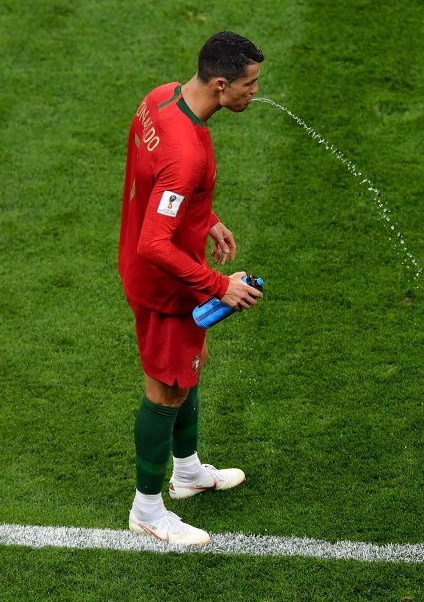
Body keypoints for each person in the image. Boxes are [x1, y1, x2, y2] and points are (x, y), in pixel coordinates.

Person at [118, 31, 265, 546]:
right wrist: (217, 285)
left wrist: (205, 218)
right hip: (165, 284)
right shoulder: (188, 153)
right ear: (221, 84)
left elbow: (158, 180)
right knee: (166, 389)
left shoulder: (161, 97)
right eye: (249, 86)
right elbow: (153, 243)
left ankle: (187, 472)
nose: (255, 94)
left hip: (167, 272)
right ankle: (148, 510)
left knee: (188, 371)